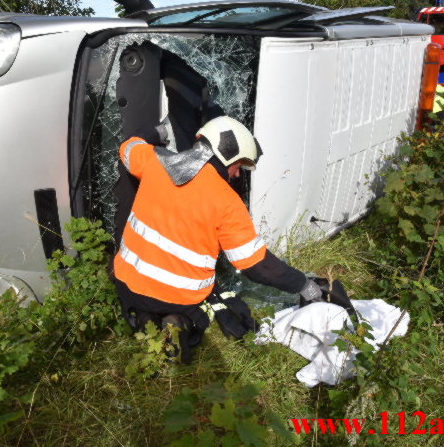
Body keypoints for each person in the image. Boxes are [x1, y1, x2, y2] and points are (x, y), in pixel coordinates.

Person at [110, 116, 328, 363]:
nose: (236, 175)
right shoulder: (227, 202)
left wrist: (156, 133)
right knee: (206, 307)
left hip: (126, 282)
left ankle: (144, 319)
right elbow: (257, 266)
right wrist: (305, 286)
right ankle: (180, 323)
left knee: (141, 299)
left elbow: (127, 148)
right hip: (178, 297)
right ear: (226, 156)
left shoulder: (155, 161)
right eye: (238, 166)